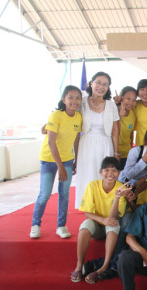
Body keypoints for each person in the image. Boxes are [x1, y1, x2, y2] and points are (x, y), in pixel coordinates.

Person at [31, 85, 82, 239]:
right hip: (49, 160)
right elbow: (52, 142)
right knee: (45, 194)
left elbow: (76, 139)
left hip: (67, 160)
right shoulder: (56, 115)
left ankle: (61, 226)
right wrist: (60, 166)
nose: (74, 101)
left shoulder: (78, 117)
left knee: (64, 194)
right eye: (70, 97)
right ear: (64, 99)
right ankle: (35, 225)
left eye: (78, 98)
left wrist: (76, 160)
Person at [71, 157, 129, 284]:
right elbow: (87, 213)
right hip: (98, 224)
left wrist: (118, 197)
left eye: (114, 170)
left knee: (114, 225)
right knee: (85, 225)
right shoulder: (93, 185)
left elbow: (114, 216)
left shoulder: (121, 187)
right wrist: (102, 220)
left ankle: (104, 266)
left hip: (111, 223)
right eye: (106, 170)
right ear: (101, 172)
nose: (110, 173)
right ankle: (79, 266)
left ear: (119, 172)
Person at [75, 72, 120, 209]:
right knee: (88, 176)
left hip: (105, 144)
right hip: (86, 144)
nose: (101, 86)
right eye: (98, 82)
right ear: (91, 83)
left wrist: (116, 152)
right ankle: (88, 208)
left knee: (104, 175)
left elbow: (115, 131)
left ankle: (103, 208)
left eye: (105, 84)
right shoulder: (82, 102)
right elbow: (69, 117)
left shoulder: (111, 105)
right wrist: (76, 155)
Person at [115, 86, 137, 170]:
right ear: (121, 98)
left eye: (134, 100)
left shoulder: (133, 113)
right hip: (113, 153)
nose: (131, 102)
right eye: (128, 98)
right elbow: (115, 132)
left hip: (126, 154)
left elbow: (131, 134)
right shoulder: (113, 110)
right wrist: (118, 115)